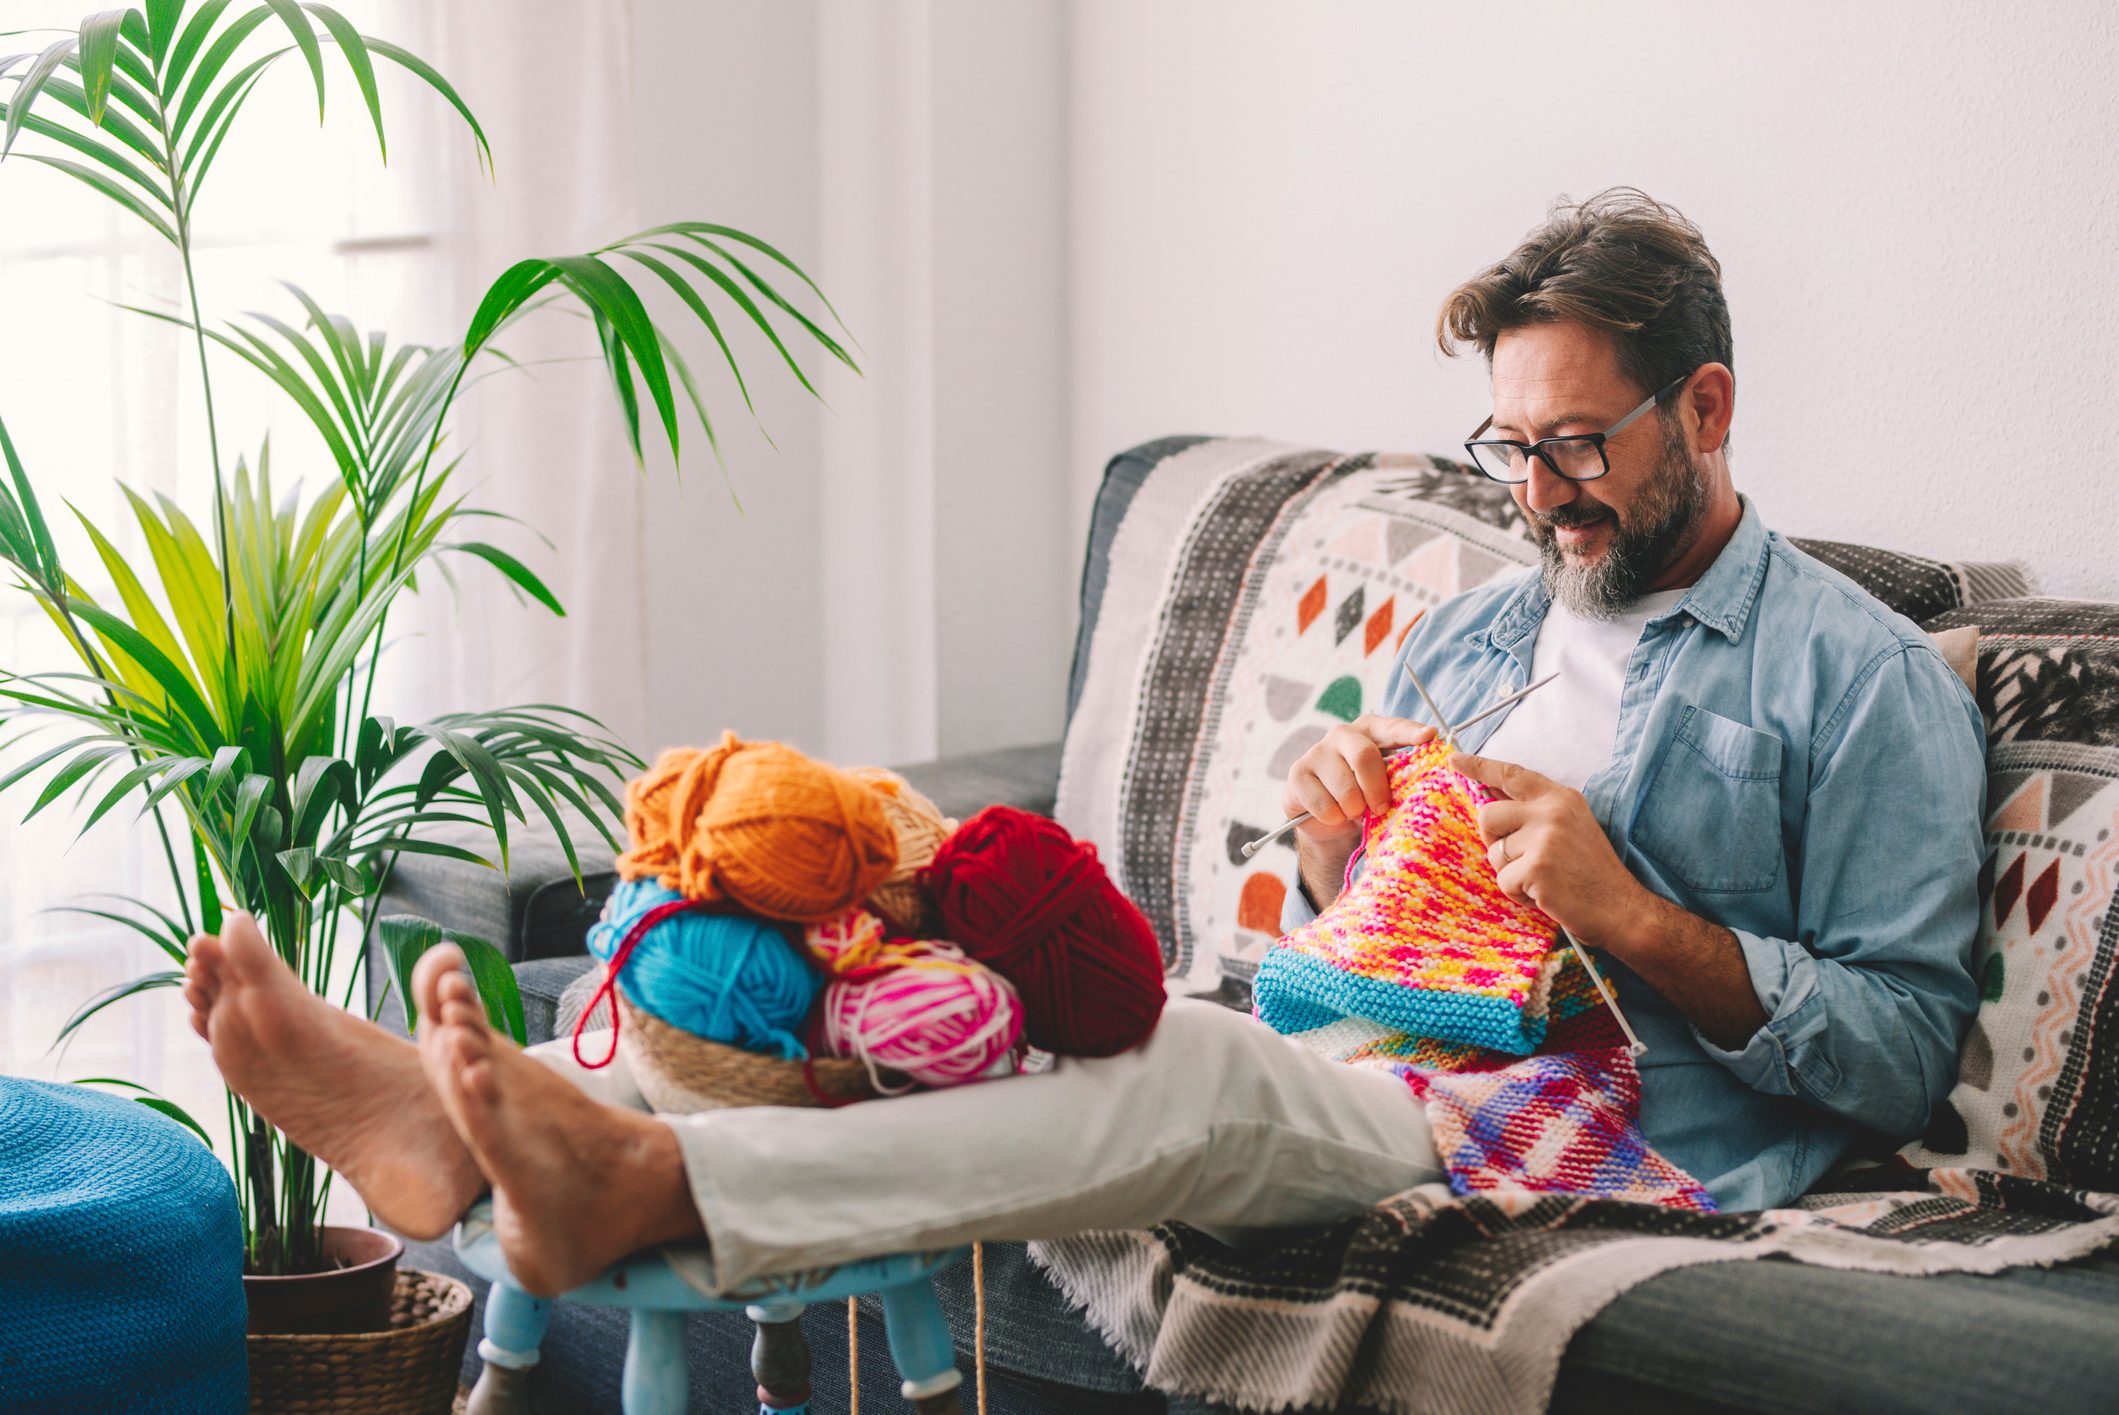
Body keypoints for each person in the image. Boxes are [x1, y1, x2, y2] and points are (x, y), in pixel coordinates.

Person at [182, 188, 1984, 1299]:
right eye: (1507, 448)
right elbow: (1397, 925)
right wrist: (1338, 842)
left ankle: (651, 1181)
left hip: (1585, 1138)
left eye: (1576, 446)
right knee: (951, 996)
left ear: (1711, 406)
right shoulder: (1487, 620)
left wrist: (1641, 918)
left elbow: (1904, 1059)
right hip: (1368, 1033)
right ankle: (492, 1119)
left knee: (1181, 1078)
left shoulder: (1865, 682)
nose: (1537, 493)